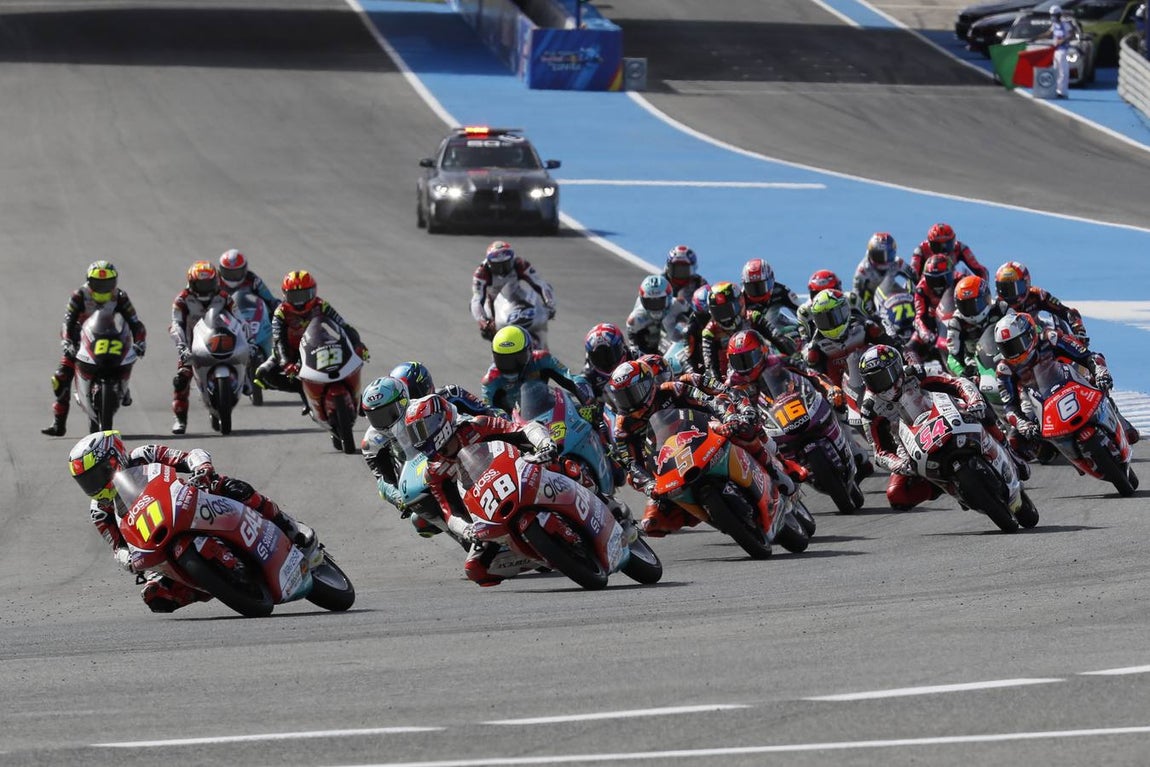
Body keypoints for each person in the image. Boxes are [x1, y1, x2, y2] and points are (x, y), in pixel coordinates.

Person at [67, 430, 315, 612]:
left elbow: (186, 457)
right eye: (87, 481)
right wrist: (127, 560)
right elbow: (118, 546)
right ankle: (216, 585)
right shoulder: (100, 510)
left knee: (228, 486)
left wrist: (201, 467)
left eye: (98, 474)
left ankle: (288, 526)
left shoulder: (142, 456)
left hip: (186, 501)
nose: (95, 485)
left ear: (114, 458)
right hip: (156, 542)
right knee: (156, 597)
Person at [404, 393, 634, 586]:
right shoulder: (434, 472)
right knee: (475, 570)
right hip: (490, 512)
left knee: (563, 465)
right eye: (416, 433)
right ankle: (530, 555)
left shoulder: (477, 426)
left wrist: (544, 445)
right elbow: (448, 513)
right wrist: (466, 530)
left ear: (443, 419)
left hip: (523, 475)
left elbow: (523, 429)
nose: (422, 437)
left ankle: (606, 503)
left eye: (425, 428)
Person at [604, 359, 795, 537]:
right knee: (651, 524)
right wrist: (648, 484)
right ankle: (704, 514)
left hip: (707, 431)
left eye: (632, 393)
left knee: (743, 431)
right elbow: (629, 463)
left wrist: (728, 419)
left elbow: (707, 400)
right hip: (668, 463)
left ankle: (775, 471)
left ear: (647, 384)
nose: (629, 401)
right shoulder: (623, 426)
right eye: (622, 397)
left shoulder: (672, 389)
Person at [858, 344, 1019, 510]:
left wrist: (973, 400)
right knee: (897, 495)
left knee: (980, 410)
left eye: (884, 376)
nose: (881, 384)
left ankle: (1009, 451)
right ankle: (947, 486)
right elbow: (879, 452)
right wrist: (898, 464)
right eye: (874, 380)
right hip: (909, 445)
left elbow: (957, 382)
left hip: (944, 412)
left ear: (897, 367)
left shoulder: (915, 373)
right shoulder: (870, 408)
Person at [993, 312, 1139, 451]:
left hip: (1067, 378)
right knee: (1015, 442)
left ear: (1030, 335)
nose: (1013, 352)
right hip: (1033, 398)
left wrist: (1100, 371)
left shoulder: (1050, 337)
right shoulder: (1004, 368)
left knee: (1098, 383)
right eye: (1006, 348)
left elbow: (1088, 356)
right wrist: (1022, 423)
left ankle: (1119, 421)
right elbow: (1009, 406)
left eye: (1016, 344)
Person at [43, 261, 147, 437]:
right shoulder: (79, 296)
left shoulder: (120, 296)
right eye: (98, 284)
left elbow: (135, 322)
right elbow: (67, 321)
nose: (102, 288)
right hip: (81, 340)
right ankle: (59, 422)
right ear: (89, 282)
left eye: (107, 284)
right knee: (60, 377)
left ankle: (123, 386)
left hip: (112, 338)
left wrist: (140, 341)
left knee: (127, 360)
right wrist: (67, 341)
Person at [253, 270, 369, 419]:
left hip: (320, 345)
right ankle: (305, 391)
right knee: (261, 375)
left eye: (303, 295)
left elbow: (344, 327)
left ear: (312, 292)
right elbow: (278, 342)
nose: (299, 302)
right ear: (285, 295)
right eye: (294, 297)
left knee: (353, 359)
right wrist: (287, 363)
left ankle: (356, 399)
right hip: (292, 352)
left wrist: (358, 344)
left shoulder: (321, 305)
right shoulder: (281, 313)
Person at [169, 261, 241, 435]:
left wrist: (247, 339)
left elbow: (239, 319)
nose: (205, 288)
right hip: (193, 345)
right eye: (201, 284)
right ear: (192, 283)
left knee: (248, 356)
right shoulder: (182, 299)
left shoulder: (224, 297)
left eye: (208, 283)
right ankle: (180, 419)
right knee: (181, 379)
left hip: (221, 340)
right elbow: (176, 324)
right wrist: (182, 346)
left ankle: (245, 383)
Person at [481, 326, 590, 415]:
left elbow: (570, 378)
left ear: (529, 351)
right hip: (513, 427)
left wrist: (587, 398)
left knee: (588, 416)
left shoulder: (542, 359)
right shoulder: (490, 379)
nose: (510, 366)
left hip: (547, 410)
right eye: (503, 360)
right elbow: (487, 409)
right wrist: (501, 418)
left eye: (517, 359)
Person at [470, 240, 555, 342]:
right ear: (489, 264)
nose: (502, 270)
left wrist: (550, 304)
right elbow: (476, 300)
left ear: (512, 260)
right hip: (493, 303)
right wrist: (484, 322)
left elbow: (541, 284)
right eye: (498, 266)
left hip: (516, 297)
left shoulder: (520, 264)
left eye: (505, 264)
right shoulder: (481, 273)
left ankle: (541, 344)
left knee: (539, 320)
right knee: (490, 333)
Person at [993, 261, 1087, 340]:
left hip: (1038, 334)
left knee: (1058, 327)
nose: (1011, 295)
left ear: (1027, 283)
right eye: (1005, 289)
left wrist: (1078, 329)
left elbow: (1065, 311)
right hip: (1012, 345)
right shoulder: (997, 306)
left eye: (1016, 288)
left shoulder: (1037, 294)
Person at [945, 275, 1008, 379]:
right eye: (965, 306)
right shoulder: (956, 322)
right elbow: (952, 357)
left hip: (1006, 359)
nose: (971, 310)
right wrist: (962, 373)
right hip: (976, 371)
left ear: (986, 298)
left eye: (976, 304)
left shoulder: (1001, 308)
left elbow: (1020, 326)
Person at [625, 274, 690, 355]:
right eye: (650, 302)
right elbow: (634, 349)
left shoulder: (679, 304)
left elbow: (694, 320)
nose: (655, 307)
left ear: (669, 298)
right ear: (642, 301)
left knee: (683, 321)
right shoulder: (635, 319)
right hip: (648, 348)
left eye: (659, 301)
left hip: (673, 342)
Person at [912, 254, 957, 365]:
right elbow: (918, 317)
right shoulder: (921, 289)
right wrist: (927, 335)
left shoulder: (961, 280)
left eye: (941, 280)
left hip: (959, 321)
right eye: (932, 280)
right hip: (934, 327)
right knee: (909, 348)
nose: (937, 285)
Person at [852, 232, 911, 312]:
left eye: (888, 255)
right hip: (872, 297)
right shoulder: (862, 271)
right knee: (866, 310)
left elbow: (913, 275)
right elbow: (856, 295)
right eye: (879, 255)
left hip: (891, 293)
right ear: (871, 253)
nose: (885, 259)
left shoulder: (896, 262)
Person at [910, 223, 989, 281]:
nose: (943, 252)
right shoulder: (920, 250)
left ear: (953, 241)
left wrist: (983, 288)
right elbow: (912, 273)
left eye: (947, 245)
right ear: (929, 243)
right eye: (937, 246)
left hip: (949, 286)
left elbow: (982, 271)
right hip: (926, 288)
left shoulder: (960, 248)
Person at [582, 322, 636, 401]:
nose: (605, 363)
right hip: (613, 411)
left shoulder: (636, 356)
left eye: (609, 354)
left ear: (622, 346)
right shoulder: (588, 375)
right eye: (598, 357)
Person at [217, 248, 280, 315]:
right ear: (221, 270)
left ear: (245, 270)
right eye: (228, 273)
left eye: (236, 273)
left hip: (250, 317)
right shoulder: (215, 280)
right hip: (222, 315)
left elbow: (271, 300)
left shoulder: (253, 280)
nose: (232, 277)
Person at [1039, 5, 1081, 99]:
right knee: (1056, 70)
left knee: (1063, 72)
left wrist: (1063, 40)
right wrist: (1037, 37)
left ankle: (1062, 92)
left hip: (1063, 50)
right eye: (1051, 15)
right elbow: (1048, 33)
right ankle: (1056, 89)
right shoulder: (1054, 25)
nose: (1052, 17)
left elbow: (1072, 34)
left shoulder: (1065, 24)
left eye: (1054, 15)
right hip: (1055, 50)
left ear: (1058, 15)